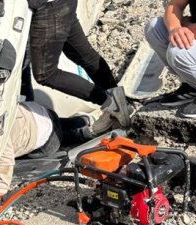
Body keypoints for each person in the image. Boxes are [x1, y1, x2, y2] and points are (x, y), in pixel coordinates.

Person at [27, 0, 130, 132]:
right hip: (61, 4)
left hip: (48, 8)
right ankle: (121, 104)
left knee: (46, 73)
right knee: (85, 55)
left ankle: (111, 105)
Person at [0, 102, 94, 205]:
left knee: (65, 137)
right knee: (60, 124)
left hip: (49, 139)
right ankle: (85, 120)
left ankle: (84, 132)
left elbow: (6, 160)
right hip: (39, 111)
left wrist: (1, 190)